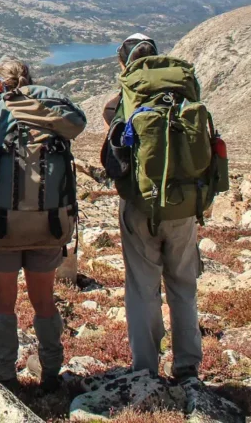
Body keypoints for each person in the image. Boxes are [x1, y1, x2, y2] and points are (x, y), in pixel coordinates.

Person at [0, 56, 85, 390]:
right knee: (43, 301)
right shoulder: (51, 115)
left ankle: (4, 374)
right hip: (49, 223)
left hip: (1, 226)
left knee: (4, 304)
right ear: (30, 80)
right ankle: (51, 372)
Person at [102, 33, 203, 381]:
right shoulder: (184, 92)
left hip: (140, 205)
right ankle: (187, 365)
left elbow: (113, 156)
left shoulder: (123, 100)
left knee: (143, 287)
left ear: (123, 61)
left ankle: (145, 368)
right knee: (183, 284)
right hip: (184, 204)